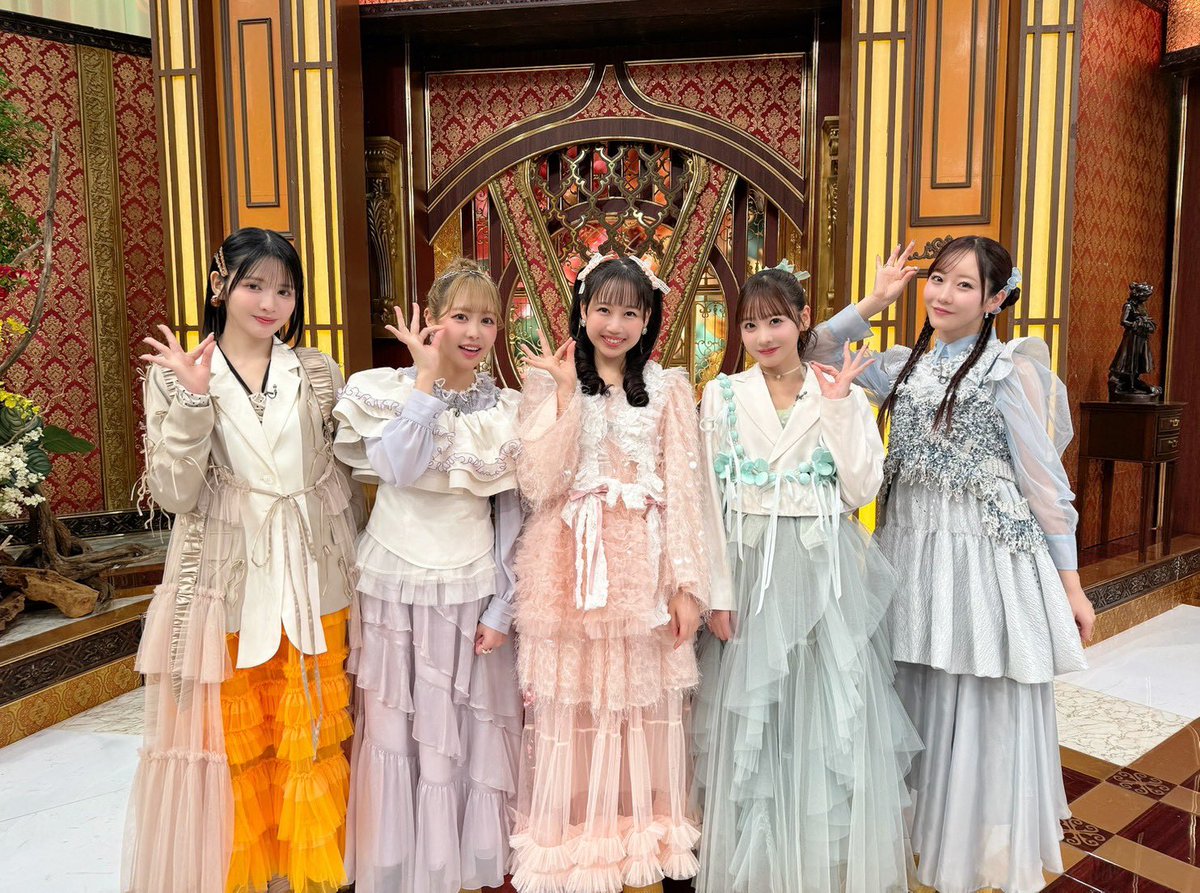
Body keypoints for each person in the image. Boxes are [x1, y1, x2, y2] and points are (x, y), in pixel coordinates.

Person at [823, 237, 1094, 893]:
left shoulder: (1010, 371)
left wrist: (1073, 588)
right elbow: (814, 352)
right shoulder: (899, 366)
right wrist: (874, 300)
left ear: (996, 299)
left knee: (977, 702)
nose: (943, 295)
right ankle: (919, 849)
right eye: (938, 279)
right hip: (908, 555)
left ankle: (972, 859)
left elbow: (1045, 488)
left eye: (964, 285)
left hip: (986, 563)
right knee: (911, 699)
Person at [124, 227, 363, 893]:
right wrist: (193, 400)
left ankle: (305, 872)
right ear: (218, 284)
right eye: (254, 285)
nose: (269, 302)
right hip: (223, 580)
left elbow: (346, 473)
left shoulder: (317, 371)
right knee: (234, 741)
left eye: (284, 290)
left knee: (309, 731)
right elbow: (174, 492)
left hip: (312, 577)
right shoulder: (175, 373)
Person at [508, 253, 726, 893]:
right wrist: (565, 396)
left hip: (643, 571)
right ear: (581, 312)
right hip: (567, 569)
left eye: (631, 312)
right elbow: (537, 483)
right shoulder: (548, 381)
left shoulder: (670, 388)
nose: (615, 323)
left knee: (639, 705)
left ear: (648, 319)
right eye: (603, 308)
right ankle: (579, 849)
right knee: (577, 707)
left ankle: (637, 849)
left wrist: (687, 586)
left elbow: (685, 491)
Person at [334, 258, 523, 893]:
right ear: (433, 320)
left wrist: (503, 607)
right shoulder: (385, 390)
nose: (473, 332)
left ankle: (452, 866)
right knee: (392, 723)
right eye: (460, 316)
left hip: (468, 585)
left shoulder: (506, 411)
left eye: (487, 320)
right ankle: (395, 865)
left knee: (457, 728)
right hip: (391, 579)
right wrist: (424, 382)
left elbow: (512, 518)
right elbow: (396, 469)